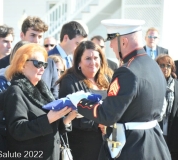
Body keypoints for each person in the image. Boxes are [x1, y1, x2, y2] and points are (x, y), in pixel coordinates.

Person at [67, 19, 171, 160]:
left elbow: (108, 116)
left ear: (123, 42)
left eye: (112, 40)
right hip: (155, 143)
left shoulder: (127, 71)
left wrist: (79, 103)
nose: (110, 46)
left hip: (132, 147)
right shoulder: (153, 65)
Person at [2, 43, 76, 160]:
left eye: (45, 64)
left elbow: (51, 125)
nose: (42, 68)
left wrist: (67, 119)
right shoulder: (15, 91)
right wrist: (48, 119)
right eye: (38, 64)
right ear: (22, 65)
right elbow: (18, 130)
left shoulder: (43, 89)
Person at [56, 40, 113, 160]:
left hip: (107, 145)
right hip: (82, 147)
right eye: (88, 58)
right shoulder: (70, 81)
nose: (93, 62)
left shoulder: (107, 79)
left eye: (96, 58)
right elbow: (68, 117)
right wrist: (100, 122)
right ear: (79, 62)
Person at [0, 16, 59, 99]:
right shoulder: (5, 61)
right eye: (33, 35)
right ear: (22, 35)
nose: (36, 40)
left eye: (40, 36)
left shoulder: (50, 63)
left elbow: (55, 94)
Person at [156, 54, 178, 160]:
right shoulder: (152, 85)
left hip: (173, 133)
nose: (165, 68)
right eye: (162, 65)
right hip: (156, 131)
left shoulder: (176, 86)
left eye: (168, 66)